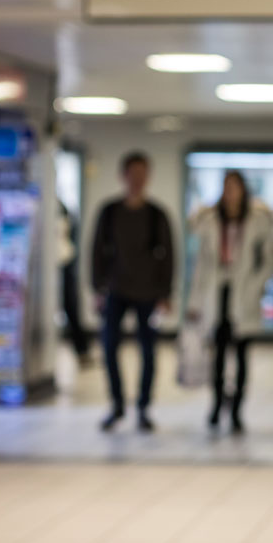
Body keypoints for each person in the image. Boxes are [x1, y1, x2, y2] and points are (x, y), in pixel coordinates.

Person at [186, 171, 273, 434]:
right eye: (226, 187)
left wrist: (256, 284)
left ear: (243, 190)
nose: (230, 193)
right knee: (217, 355)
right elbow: (201, 263)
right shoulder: (211, 220)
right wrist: (194, 301)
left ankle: (237, 410)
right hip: (218, 294)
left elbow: (269, 260)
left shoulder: (258, 221)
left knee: (241, 355)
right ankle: (215, 406)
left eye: (234, 187)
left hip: (244, 293)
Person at [90, 151, 174, 433]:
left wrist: (166, 293)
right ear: (123, 176)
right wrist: (96, 288)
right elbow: (96, 251)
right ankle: (116, 404)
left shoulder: (156, 214)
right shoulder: (110, 211)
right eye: (132, 174)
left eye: (142, 174)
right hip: (115, 289)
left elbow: (168, 255)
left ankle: (143, 406)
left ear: (147, 178)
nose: (137, 180)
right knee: (109, 347)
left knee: (148, 352)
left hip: (148, 293)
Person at [56, 199, 90, 365]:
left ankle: (82, 350)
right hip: (61, 265)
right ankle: (82, 350)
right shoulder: (58, 208)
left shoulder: (61, 210)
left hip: (64, 265)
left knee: (71, 307)